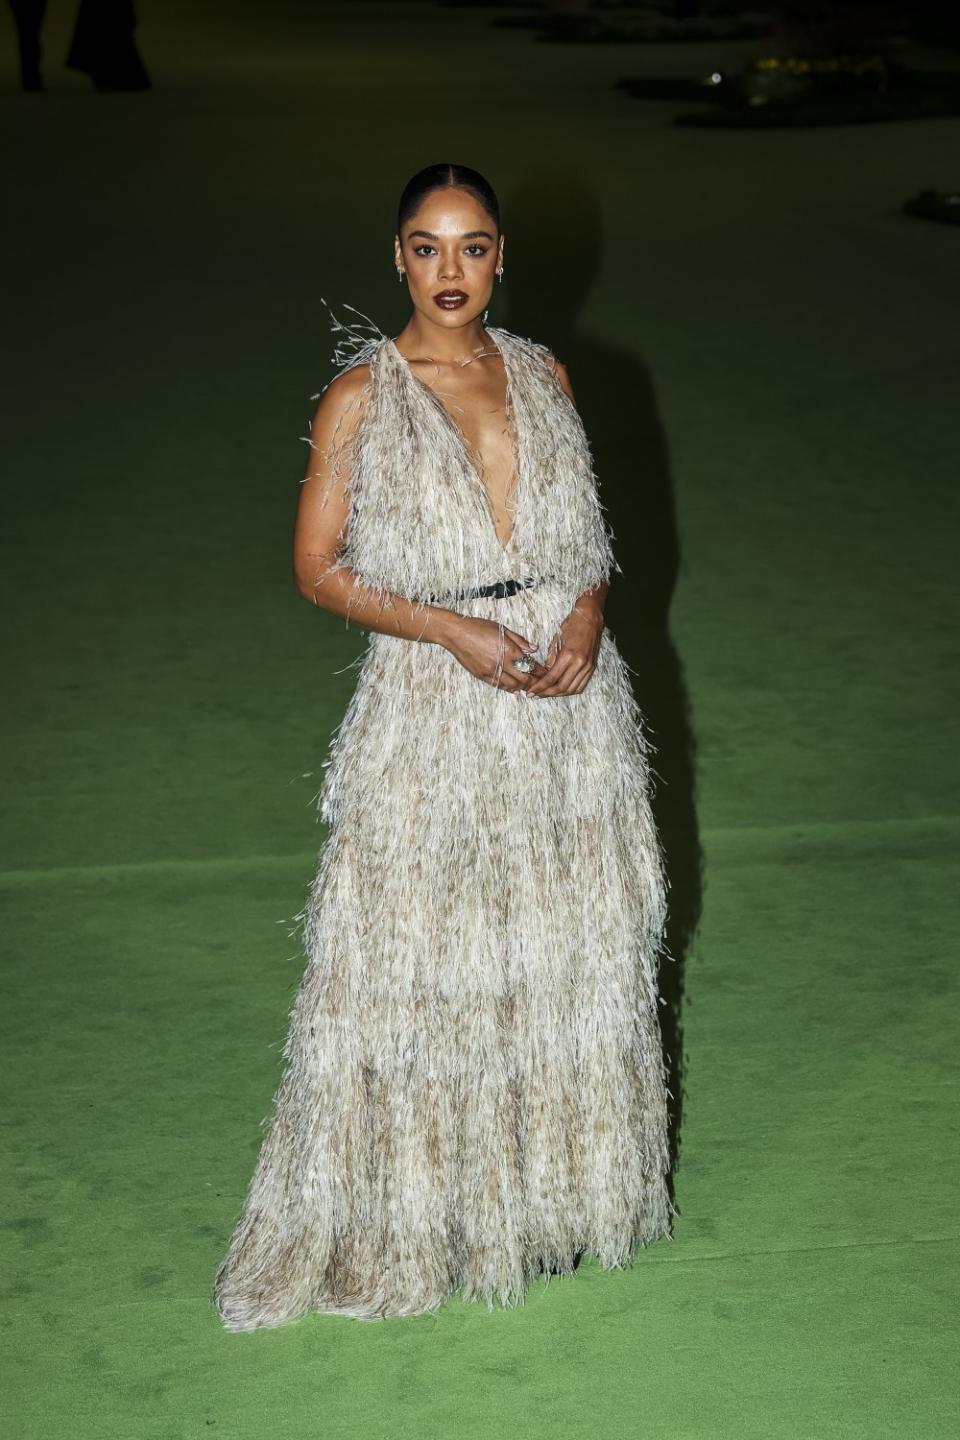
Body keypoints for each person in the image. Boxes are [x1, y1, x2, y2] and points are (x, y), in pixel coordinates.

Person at [213, 163, 672, 1330]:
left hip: (571, 712)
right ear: (398, 258)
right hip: (434, 703)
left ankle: (558, 1195)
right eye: (427, 247)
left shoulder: (544, 373)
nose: (451, 272)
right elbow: (320, 571)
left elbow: (589, 534)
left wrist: (584, 614)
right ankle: (435, 1212)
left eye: (473, 248)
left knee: (562, 952)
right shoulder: (361, 397)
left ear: (503, 257)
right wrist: (451, 628)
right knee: (434, 962)